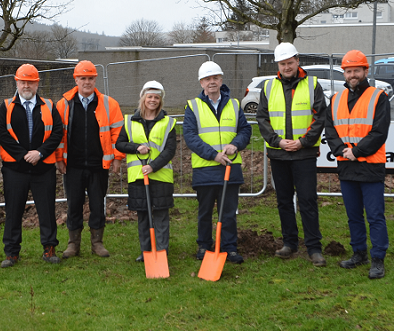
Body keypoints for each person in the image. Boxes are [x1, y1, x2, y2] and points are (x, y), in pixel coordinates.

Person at [257, 42, 328, 267]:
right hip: (279, 154)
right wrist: (277, 141)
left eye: (290, 62)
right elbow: (262, 119)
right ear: (278, 64)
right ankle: (290, 243)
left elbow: (320, 117)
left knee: (308, 200)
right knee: (284, 201)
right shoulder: (268, 87)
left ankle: (314, 247)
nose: (286, 67)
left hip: (304, 154)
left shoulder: (313, 85)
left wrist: (302, 142)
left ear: (298, 60)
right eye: (282, 63)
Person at [324, 50, 391, 279]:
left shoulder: (378, 97)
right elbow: (330, 129)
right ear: (344, 73)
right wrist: (342, 150)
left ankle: (378, 258)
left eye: (356, 70)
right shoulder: (336, 99)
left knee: (375, 215)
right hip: (346, 166)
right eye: (348, 71)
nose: (352, 75)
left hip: (371, 165)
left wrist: (356, 151)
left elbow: (379, 132)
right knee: (353, 215)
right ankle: (359, 253)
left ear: (365, 71)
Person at [0, 64, 64, 268]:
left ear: (37, 83)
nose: (26, 85)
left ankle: (49, 248)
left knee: (47, 210)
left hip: (43, 169)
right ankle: (11, 253)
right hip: (15, 169)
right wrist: (24, 155)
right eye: (23, 82)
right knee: (13, 211)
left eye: (30, 82)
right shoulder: (6, 106)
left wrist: (40, 153)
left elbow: (57, 133)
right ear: (16, 82)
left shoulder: (50, 106)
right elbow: (2, 133)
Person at [184, 61, 252, 264]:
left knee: (228, 212)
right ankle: (204, 245)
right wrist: (213, 155)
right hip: (205, 169)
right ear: (201, 82)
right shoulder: (192, 106)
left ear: (221, 80)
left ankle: (229, 248)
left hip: (230, 168)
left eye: (215, 78)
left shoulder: (234, 104)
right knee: (204, 212)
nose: (211, 82)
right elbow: (190, 136)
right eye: (207, 79)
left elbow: (245, 130)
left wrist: (235, 145)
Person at [55, 60, 124, 258]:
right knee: (73, 205)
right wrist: (59, 159)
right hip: (73, 166)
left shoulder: (109, 104)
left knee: (97, 204)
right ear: (75, 79)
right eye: (83, 78)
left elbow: (117, 134)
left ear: (95, 79)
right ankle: (73, 244)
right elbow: (58, 135)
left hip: (98, 165)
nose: (87, 82)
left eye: (90, 78)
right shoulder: (64, 104)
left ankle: (97, 243)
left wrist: (117, 159)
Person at [115, 81, 177, 262]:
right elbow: (119, 144)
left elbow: (169, 150)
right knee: (143, 215)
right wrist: (136, 148)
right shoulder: (129, 121)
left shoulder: (168, 123)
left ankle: (161, 251)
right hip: (138, 177)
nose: (153, 100)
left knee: (160, 215)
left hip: (161, 176)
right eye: (150, 96)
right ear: (143, 98)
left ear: (160, 100)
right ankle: (146, 251)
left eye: (156, 97)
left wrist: (153, 166)